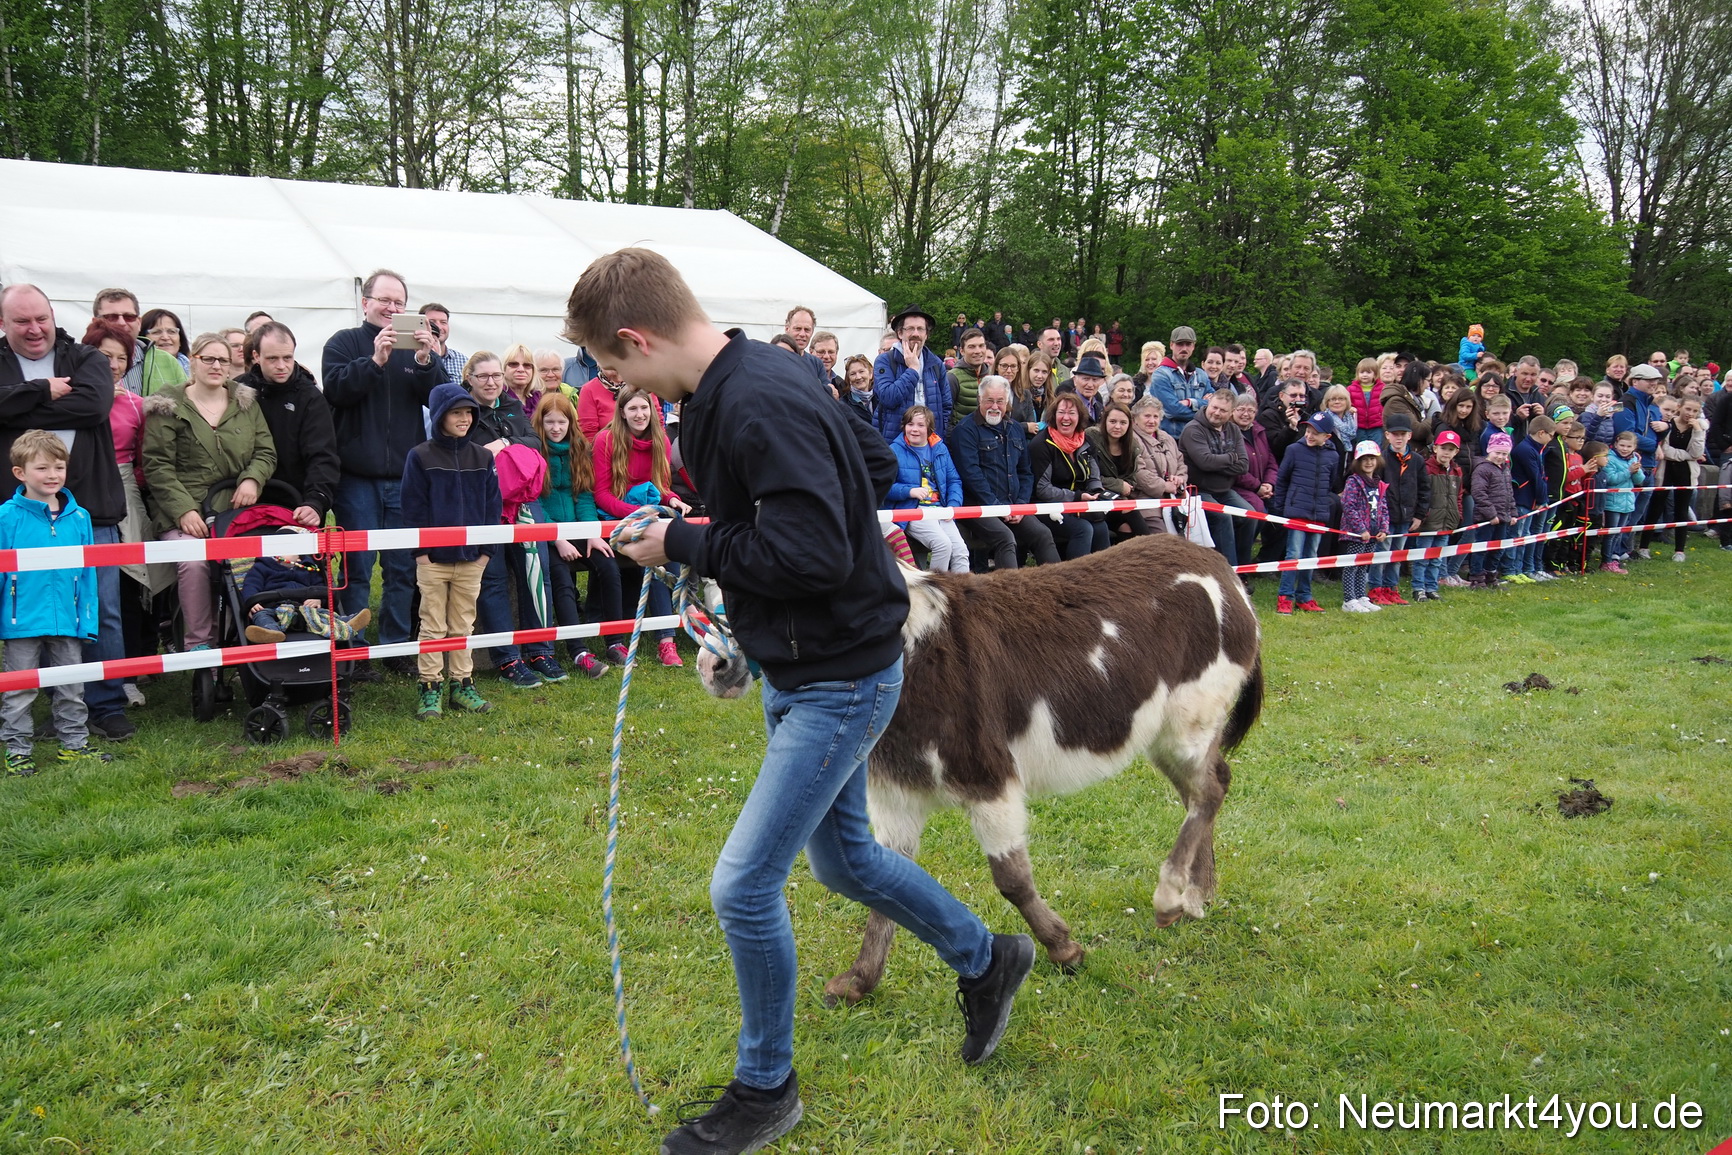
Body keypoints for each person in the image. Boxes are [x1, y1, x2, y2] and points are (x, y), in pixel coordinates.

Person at [565, 248, 1034, 1155]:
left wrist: (684, 541)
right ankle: (988, 957)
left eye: (616, 368)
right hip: (801, 662)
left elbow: (812, 552)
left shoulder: (754, 396)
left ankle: (765, 1086)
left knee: (742, 887)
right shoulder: (751, 380)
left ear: (635, 337)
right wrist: (704, 520)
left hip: (841, 676)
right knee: (844, 861)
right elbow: (861, 455)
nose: (621, 385)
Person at [0, 287, 135, 743]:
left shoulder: (85, 359)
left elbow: (94, 406)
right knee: (18, 610)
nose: (34, 329)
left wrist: (14, 404)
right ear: (4, 323)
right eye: (22, 322)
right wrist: (41, 390)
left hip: (90, 508)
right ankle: (23, 707)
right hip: (19, 515)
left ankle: (106, 702)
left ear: (54, 316)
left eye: (41, 318)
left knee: (101, 610)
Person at [321, 269, 444, 679]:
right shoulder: (343, 343)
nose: (392, 309)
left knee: (401, 568)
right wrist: (374, 361)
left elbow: (442, 401)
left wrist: (427, 360)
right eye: (384, 301)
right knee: (357, 568)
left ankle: (394, 647)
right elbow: (336, 391)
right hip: (357, 478)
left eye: (399, 303)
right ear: (365, 302)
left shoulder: (415, 349)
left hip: (405, 479)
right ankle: (354, 649)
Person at [141, 332, 278, 651]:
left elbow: (265, 451)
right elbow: (157, 464)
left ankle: (246, 634)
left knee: (250, 560)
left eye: (223, 360)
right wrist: (182, 511)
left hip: (234, 513)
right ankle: (198, 643)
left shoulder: (245, 402)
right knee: (194, 560)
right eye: (208, 359)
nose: (217, 365)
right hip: (183, 511)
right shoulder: (169, 404)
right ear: (193, 360)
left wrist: (253, 479)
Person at [0, 430, 110, 775]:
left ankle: (74, 746)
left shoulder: (80, 518)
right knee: (19, 688)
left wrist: (86, 618)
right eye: (42, 468)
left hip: (68, 617)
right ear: (20, 473)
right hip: (21, 622)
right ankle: (17, 750)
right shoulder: (6, 517)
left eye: (59, 467)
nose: (52, 476)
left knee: (71, 686)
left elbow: (88, 573)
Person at [401, 382, 499, 719]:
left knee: (464, 624)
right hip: (433, 560)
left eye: (469, 413)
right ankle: (430, 687)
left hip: (472, 560)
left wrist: (486, 552)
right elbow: (412, 508)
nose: (464, 419)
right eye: (456, 412)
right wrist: (421, 553)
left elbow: (492, 508)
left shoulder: (483, 457)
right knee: (432, 625)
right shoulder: (420, 456)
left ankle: (462, 684)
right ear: (440, 415)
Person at [83, 319, 158, 705]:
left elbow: (146, 459)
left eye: (121, 357)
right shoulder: (73, 398)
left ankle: (124, 673)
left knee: (126, 588)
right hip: (77, 493)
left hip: (125, 494)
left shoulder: (136, 404)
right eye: (104, 355)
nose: (113, 364)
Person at [594, 385, 687, 667]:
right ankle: (665, 638)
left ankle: (668, 640)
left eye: (644, 408)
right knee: (657, 549)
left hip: (649, 516)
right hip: (614, 518)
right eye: (633, 408)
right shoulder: (605, 440)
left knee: (667, 548)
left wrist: (673, 499)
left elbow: (661, 486)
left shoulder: (662, 441)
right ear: (622, 412)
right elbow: (602, 495)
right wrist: (640, 513)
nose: (639, 414)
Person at [531, 393, 614, 677]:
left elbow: (585, 495)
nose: (556, 428)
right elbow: (536, 502)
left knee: (608, 566)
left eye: (562, 421)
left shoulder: (580, 448)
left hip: (580, 527)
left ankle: (615, 640)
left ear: (571, 423)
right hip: (548, 533)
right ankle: (578, 651)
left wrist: (592, 533)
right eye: (550, 422)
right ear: (540, 423)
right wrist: (556, 537)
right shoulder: (534, 451)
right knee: (563, 581)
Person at [949, 377, 1062, 569]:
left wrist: (1020, 506)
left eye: (1000, 401)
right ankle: (1011, 596)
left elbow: (1025, 473)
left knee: (1043, 534)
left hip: (1013, 505)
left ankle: (1060, 590)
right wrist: (999, 507)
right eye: (989, 401)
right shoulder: (965, 430)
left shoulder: (1015, 428)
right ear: (979, 399)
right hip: (978, 506)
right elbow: (971, 476)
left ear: (1007, 402)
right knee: (1005, 539)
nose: (995, 406)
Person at [237, 322, 340, 528]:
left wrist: (315, 501)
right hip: (241, 500)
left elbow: (322, 455)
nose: (282, 366)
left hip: (296, 505)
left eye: (288, 358)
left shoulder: (310, 397)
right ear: (256, 356)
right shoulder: (237, 390)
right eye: (272, 359)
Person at [240, 536, 371, 644]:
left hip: (305, 610)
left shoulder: (309, 569)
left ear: (299, 557)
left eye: (284, 549)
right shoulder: (261, 567)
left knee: (323, 614)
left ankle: (346, 622)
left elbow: (320, 587)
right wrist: (252, 602)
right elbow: (250, 585)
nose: (277, 552)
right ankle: (270, 633)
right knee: (261, 615)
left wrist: (317, 598)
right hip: (273, 608)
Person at [1270, 413, 1340, 614]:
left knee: (1311, 556)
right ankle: (1285, 596)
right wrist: (1281, 508)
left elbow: (1331, 482)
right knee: (1294, 554)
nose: (1309, 436)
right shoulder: (1293, 450)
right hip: (1296, 511)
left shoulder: (1333, 456)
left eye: (1315, 433)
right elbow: (1282, 480)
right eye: (1308, 431)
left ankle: (1304, 596)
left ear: (1327, 437)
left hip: (1318, 514)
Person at [888, 405, 971, 572]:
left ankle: (964, 593)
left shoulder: (940, 448)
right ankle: (935, 593)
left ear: (929, 428)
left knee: (961, 551)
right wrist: (909, 491)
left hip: (941, 510)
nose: (914, 430)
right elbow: (885, 487)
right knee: (943, 545)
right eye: (910, 424)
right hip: (913, 511)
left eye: (920, 425)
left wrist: (953, 505)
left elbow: (954, 480)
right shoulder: (894, 450)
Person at [1031, 392, 1110, 558]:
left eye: (1071, 413)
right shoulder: (1041, 444)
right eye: (1061, 412)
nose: (1065, 418)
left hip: (1079, 503)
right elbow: (1042, 489)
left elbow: (1094, 475)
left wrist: (1096, 491)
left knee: (1100, 527)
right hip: (1048, 505)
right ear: (1054, 415)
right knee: (1083, 529)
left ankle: (1103, 579)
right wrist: (1077, 496)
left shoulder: (1086, 440)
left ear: (1079, 416)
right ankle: (1074, 580)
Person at [1178, 390, 1252, 568]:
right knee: (1222, 517)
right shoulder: (1193, 429)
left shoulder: (1233, 429)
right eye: (1215, 407)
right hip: (1198, 491)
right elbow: (1205, 462)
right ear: (1208, 403)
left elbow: (1244, 466)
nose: (1217, 413)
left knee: (1250, 515)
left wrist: (1218, 463)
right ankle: (1228, 571)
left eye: (1223, 411)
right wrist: (1231, 457)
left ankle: (1243, 569)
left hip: (1225, 490)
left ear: (1231, 412)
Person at [1369, 414, 1428, 603]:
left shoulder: (1417, 461)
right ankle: (1375, 588)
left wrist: (1419, 515)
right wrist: (1377, 515)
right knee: (1381, 553)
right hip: (1386, 516)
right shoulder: (1382, 459)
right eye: (1395, 434)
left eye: (1403, 434)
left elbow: (1424, 488)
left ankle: (1391, 587)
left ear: (1410, 436)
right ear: (1387, 435)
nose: (1399, 438)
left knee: (1398, 554)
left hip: (1406, 516)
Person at [1614, 362, 1670, 559]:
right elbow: (1626, 433)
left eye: (1656, 380)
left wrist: (1667, 427)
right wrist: (1654, 447)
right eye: (1649, 380)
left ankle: (1624, 549)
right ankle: (1615, 551)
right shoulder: (1625, 402)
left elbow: (1655, 434)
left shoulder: (1650, 404)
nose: (1654, 384)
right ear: (1635, 381)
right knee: (1627, 510)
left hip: (1648, 465)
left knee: (1637, 512)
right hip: (1633, 464)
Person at [873, 306, 949, 440]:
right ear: (900, 333)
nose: (916, 333)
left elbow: (946, 406)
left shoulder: (936, 364)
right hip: (894, 441)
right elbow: (887, 398)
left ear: (926, 334)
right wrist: (912, 370)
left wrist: (938, 434)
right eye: (910, 329)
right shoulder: (885, 361)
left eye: (920, 329)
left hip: (929, 443)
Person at [92, 288, 186, 396]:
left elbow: (186, 407)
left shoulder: (168, 361)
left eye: (129, 317)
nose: (121, 323)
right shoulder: (79, 360)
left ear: (139, 322)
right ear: (95, 322)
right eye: (111, 317)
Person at [1411, 430, 1466, 599]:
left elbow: (1458, 496)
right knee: (1422, 557)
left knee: (1437, 559)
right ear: (1435, 448)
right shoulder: (1426, 469)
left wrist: (1458, 515)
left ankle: (1431, 587)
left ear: (1456, 452)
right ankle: (1418, 588)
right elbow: (1420, 494)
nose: (1446, 452)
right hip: (1429, 522)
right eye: (1443, 448)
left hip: (1447, 522)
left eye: (1451, 449)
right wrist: (1422, 515)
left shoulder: (1457, 472)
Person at [1086, 401, 1151, 539]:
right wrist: (1119, 485)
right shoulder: (1092, 436)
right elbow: (1089, 476)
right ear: (1105, 421)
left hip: (1119, 500)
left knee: (1126, 528)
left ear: (1129, 424)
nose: (1117, 426)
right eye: (1113, 421)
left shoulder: (1132, 445)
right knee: (1129, 509)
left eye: (1123, 423)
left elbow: (1131, 479)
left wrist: (1123, 488)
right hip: (1095, 497)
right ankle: (1154, 547)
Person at [1338, 441, 1389, 612]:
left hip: (1373, 534)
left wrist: (1383, 529)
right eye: (1364, 459)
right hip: (1355, 534)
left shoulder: (1379, 483)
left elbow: (1383, 507)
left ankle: (1361, 596)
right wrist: (1360, 530)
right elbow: (1349, 506)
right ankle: (1349, 599)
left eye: (1372, 458)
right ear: (1357, 462)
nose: (1368, 462)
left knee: (1363, 565)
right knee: (1352, 565)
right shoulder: (1353, 482)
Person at [1230, 392, 1276, 567]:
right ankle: (1243, 559)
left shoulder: (1259, 431)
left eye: (1250, 410)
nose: (1245, 414)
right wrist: (1258, 487)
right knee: (1256, 511)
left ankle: (1269, 560)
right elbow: (1235, 468)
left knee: (1282, 509)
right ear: (1233, 411)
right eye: (1241, 409)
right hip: (1239, 487)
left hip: (1262, 488)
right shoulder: (1230, 432)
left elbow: (1271, 460)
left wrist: (1269, 483)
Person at [1658, 397, 1707, 561]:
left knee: (1682, 510)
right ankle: (1643, 547)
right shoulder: (1668, 423)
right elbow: (1664, 448)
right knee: (1656, 506)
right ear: (1680, 407)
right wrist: (1685, 456)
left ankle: (1680, 550)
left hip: (1686, 472)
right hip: (1665, 469)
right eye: (1688, 409)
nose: (1690, 414)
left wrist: (1698, 431)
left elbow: (1697, 452)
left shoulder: (1697, 427)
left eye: (1695, 411)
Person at [1127, 397, 1187, 525]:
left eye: (1156, 416)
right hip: (1146, 502)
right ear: (1135, 418)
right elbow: (1137, 471)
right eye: (1147, 416)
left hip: (1174, 501)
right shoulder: (1130, 439)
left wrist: (1179, 479)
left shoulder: (1167, 438)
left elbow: (1180, 462)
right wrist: (1164, 486)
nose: (1152, 421)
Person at [1469, 432, 1516, 586]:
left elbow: (1509, 492)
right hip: (1487, 518)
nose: (1500, 457)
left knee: (1498, 548)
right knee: (1482, 547)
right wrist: (1491, 514)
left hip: (1503, 517)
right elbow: (1479, 493)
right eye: (1497, 452)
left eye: (1504, 453)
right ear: (1489, 450)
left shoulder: (1505, 469)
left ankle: (1491, 573)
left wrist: (1513, 513)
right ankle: (1477, 576)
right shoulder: (1482, 469)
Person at [1150, 326, 1210, 438]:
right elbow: (1173, 411)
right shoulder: (1161, 374)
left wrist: (1191, 402)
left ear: (1193, 346)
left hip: (1200, 438)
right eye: (1180, 344)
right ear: (1171, 345)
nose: (1184, 348)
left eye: (1188, 344)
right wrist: (1205, 412)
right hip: (1171, 440)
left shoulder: (1201, 374)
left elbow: (1215, 405)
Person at [1597, 431, 1643, 572]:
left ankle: (1613, 558)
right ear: (1616, 444)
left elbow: (1640, 481)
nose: (1624, 449)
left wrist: (1637, 471)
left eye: (1628, 446)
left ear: (1634, 447)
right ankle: (1606, 561)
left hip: (1627, 502)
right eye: (1622, 445)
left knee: (1619, 533)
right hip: (1613, 502)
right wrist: (1629, 471)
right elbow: (1611, 479)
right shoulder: (1610, 459)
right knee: (1610, 533)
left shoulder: (1633, 459)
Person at [947, 327, 992, 429]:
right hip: (962, 438)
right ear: (962, 351)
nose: (978, 351)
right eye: (972, 347)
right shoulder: (952, 378)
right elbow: (946, 417)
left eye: (981, 346)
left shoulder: (991, 376)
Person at [140, 308, 190, 372]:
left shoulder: (195, 371)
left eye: (172, 331)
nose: (165, 337)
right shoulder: (136, 372)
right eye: (156, 332)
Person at [1066, 355, 1108, 425]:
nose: (1090, 385)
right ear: (1075, 380)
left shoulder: (1100, 407)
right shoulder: (1066, 405)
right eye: (1086, 379)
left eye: (1095, 380)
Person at [841, 354, 877, 428]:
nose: (858, 377)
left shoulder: (882, 399)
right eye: (853, 374)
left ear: (870, 374)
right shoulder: (843, 406)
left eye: (861, 371)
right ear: (848, 379)